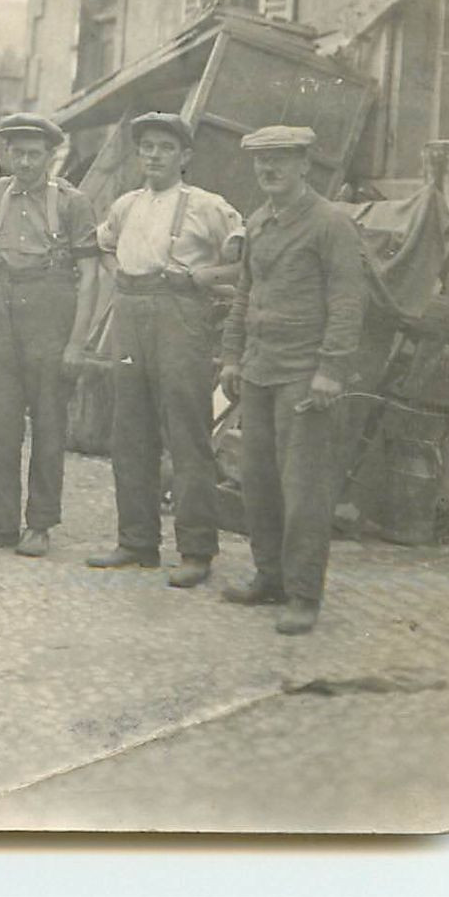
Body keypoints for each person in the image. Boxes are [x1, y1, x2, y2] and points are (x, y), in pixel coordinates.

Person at [86, 112, 243, 586]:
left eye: (165, 148)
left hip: (180, 317)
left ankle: (197, 550)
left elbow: (246, 258)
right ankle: (137, 542)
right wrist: (119, 277)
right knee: (129, 431)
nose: (153, 155)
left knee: (187, 433)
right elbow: (104, 247)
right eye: (147, 147)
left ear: (185, 157)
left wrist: (202, 279)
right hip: (131, 315)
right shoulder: (126, 205)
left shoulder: (208, 206)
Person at [219, 125, 365, 635]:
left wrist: (331, 369)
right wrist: (231, 357)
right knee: (257, 481)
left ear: (306, 164)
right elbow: (243, 295)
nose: (270, 170)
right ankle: (270, 577)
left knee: (304, 488)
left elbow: (348, 302)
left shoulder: (330, 224)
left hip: (305, 374)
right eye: (262, 162)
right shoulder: (259, 222)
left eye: (281, 160)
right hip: (259, 370)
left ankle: (304, 594)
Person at [0, 113, 100, 558]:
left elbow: (92, 276)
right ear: (5, 154)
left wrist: (77, 342)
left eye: (34, 154)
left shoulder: (72, 203)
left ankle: (40, 524)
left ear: (51, 156)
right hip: (3, 308)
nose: (25, 163)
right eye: (16, 153)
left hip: (51, 309)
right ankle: (2, 525)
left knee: (50, 424)